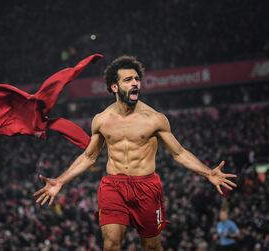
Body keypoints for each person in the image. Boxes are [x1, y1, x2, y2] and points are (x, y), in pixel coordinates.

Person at [34, 55, 237, 251]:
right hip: (113, 186)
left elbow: (179, 153)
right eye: (128, 79)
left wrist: (207, 172)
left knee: (151, 246)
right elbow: (89, 156)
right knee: (111, 244)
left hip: (146, 187)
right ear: (115, 87)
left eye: (137, 79)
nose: (135, 83)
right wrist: (61, 180)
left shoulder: (154, 119)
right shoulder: (101, 120)